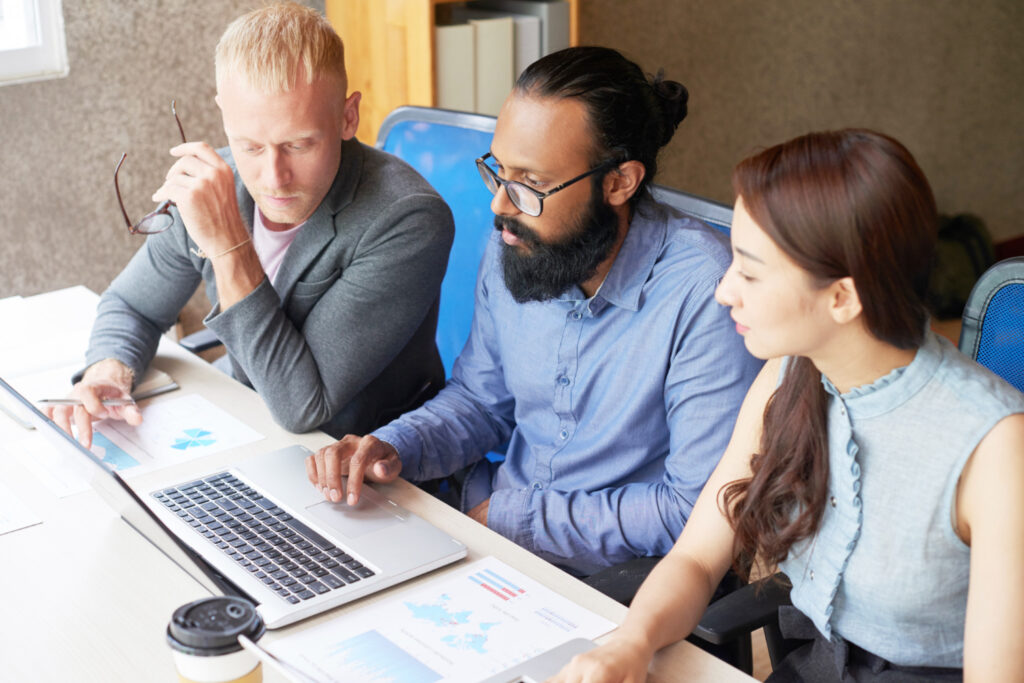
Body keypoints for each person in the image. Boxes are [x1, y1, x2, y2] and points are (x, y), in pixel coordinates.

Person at [551, 129, 1024, 682]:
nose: (725, 290)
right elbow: (698, 558)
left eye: (750, 272)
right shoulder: (789, 374)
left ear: (842, 296)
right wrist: (629, 644)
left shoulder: (995, 447)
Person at [306, 47, 762, 577]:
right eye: (499, 171)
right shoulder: (519, 238)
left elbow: (695, 508)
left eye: (532, 182)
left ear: (619, 182)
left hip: (622, 583)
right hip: (487, 530)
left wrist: (515, 521)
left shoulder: (707, 294)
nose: (501, 202)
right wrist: (393, 446)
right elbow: (482, 402)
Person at [50, 2, 454, 446]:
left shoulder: (409, 219)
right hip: (241, 428)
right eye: (250, 146)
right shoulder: (214, 185)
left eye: (299, 144)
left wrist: (228, 244)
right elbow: (133, 306)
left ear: (347, 117)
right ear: (224, 116)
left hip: (358, 464)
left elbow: (304, 407)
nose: (273, 177)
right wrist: (110, 370)